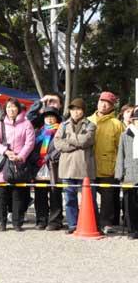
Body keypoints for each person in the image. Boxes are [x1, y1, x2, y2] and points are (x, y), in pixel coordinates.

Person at [0, 98, 35, 231]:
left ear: (19, 108)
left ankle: (17, 223)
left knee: (18, 194)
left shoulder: (27, 124)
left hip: (20, 163)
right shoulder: (0, 124)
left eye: (13, 107)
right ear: (5, 109)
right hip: (3, 162)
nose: (11, 110)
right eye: (8, 107)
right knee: (2, 195)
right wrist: (6, 152)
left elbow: (30, 143)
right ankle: (2, 223)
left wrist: (21, 156)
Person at [53, 98, 96, 234]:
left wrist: (69, 138)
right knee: (69, 198)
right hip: (67, 166)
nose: (75, 112)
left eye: (78, 109)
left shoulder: (91, 125)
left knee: (88, 198)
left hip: (84, 167)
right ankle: (72, 224)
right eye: (73, 109)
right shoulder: (63, 125)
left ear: (83, 111)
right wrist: (73, 142)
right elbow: (57, 143)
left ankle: (92, 223)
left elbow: (86, 141)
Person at [88, 91, 125, 234]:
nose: (103, 105)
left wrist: (119, 166)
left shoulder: (117, 124)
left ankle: (106, 222)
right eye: (101, 101)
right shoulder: (88, 120)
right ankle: (91, 221)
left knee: (107, 197)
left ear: (112, 106)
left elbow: (121, 147)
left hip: (108, 164)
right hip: (89, 164)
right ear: (97, 102)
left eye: (107, 103)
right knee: (89, 195)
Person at [30, 107, 63, 230]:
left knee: (55, 194)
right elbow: (31, 147)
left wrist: (48, 157)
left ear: (56, 118)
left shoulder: (61, 131)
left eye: (52, 116)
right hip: (39, 166)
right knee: (40, 194)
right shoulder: (38, 132)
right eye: (47, 116)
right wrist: (36, 158)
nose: (49, 119)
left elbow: (61, 147)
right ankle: (41, 220)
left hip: (54, 165)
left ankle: (55, 221)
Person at [115, 107, 138, 239]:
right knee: (129, 204)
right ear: (133, 121)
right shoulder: (125, 135)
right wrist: (119, 174)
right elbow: (120, 156)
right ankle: (132, 230)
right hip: (129, 174)